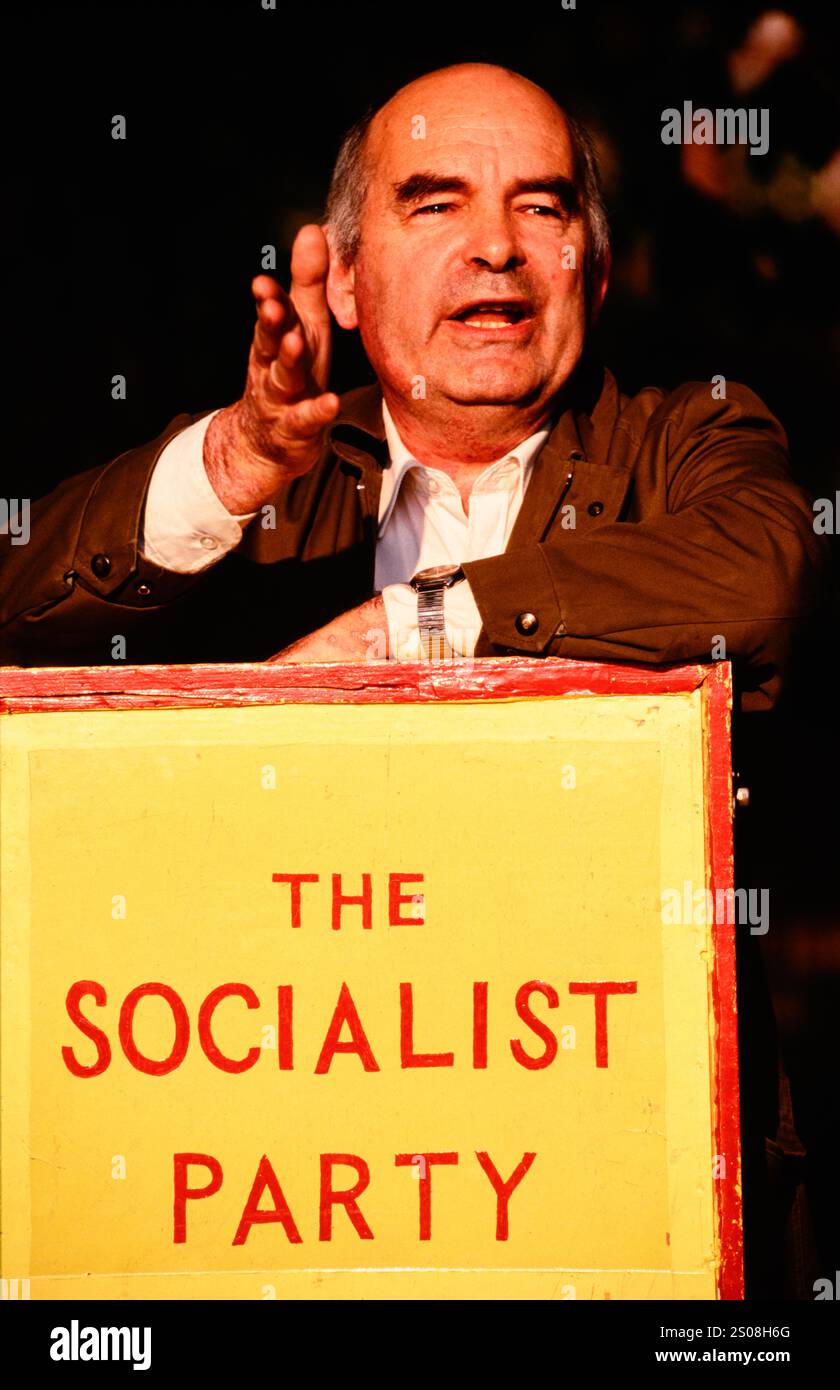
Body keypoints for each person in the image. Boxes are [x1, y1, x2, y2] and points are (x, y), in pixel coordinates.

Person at [0, 62, 828, 1296]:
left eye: (543, 208)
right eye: (437, 204)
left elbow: (761, 582)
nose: (496, 246)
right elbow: (23, 617)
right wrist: (224, 465)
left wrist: (414, 630)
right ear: (337, 273)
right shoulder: (268, 483)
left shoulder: (688, 442)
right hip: (287, 1208)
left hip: (625, 1221)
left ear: (592, 275)